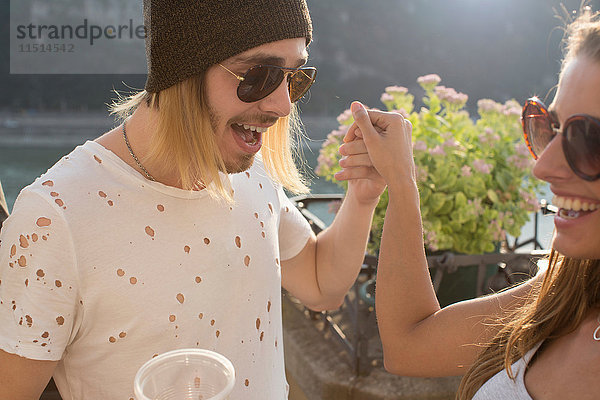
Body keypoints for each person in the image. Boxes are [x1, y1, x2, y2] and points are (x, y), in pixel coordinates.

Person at [0, 1, 386, 399]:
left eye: (294, 77)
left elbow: (322, 285)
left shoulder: (249, 170)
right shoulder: (55, 216)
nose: (283, 105)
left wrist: (361, 195)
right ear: (182, 69)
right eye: (261, 75)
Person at [336, 7, 600, 400]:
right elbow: (409, 344)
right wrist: (401, 182)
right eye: (550, 127)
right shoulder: (569, 290)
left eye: (589, 140)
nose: (542, 168)